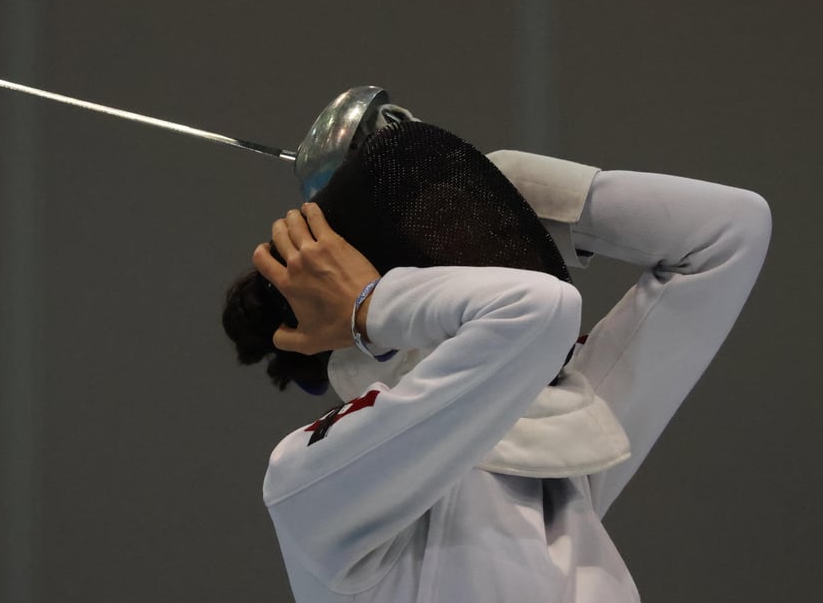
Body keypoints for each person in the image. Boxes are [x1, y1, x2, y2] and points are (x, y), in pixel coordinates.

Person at [222, 122, 771, 602]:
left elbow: (729, 233)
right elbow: (539, 310)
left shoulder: (552, 453)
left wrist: (505, 183)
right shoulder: (309, 479)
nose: (493, 241)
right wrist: (371, 307)